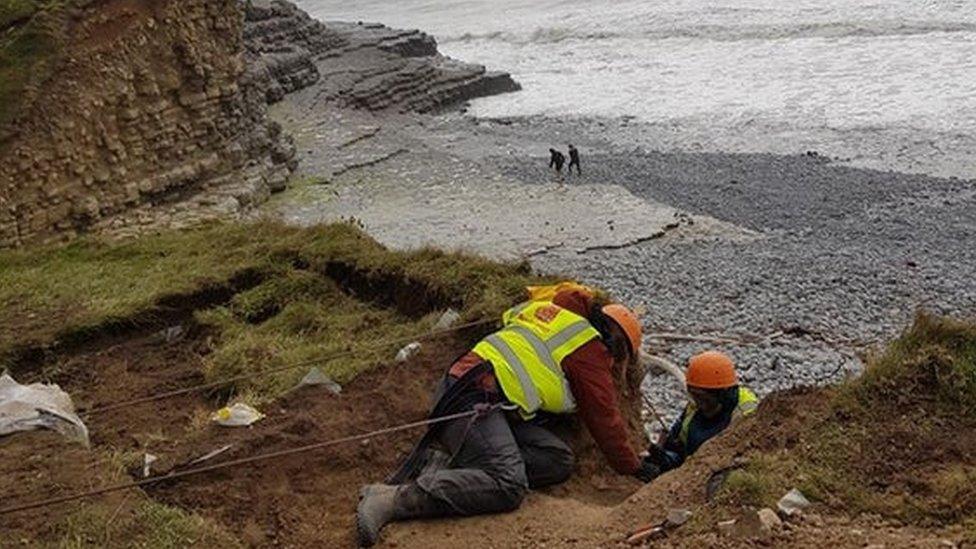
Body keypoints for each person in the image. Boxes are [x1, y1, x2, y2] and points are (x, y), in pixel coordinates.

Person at [356, 287, 653, 547]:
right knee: (508, 483)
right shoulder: (588, 347)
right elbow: (604, 418)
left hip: (479, 397)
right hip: (471, 399)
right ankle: (394, 499)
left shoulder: (544, 313)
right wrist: (635, 466)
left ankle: (452, 468)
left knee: (556, 459)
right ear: (614, 341)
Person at [638, 351, 758, 481]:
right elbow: (678, 452)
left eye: (703, 398)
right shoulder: (694, 405)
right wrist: (661, 457)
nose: (698, 403)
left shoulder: (746, 412)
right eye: (693, 395)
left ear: (723, 394)